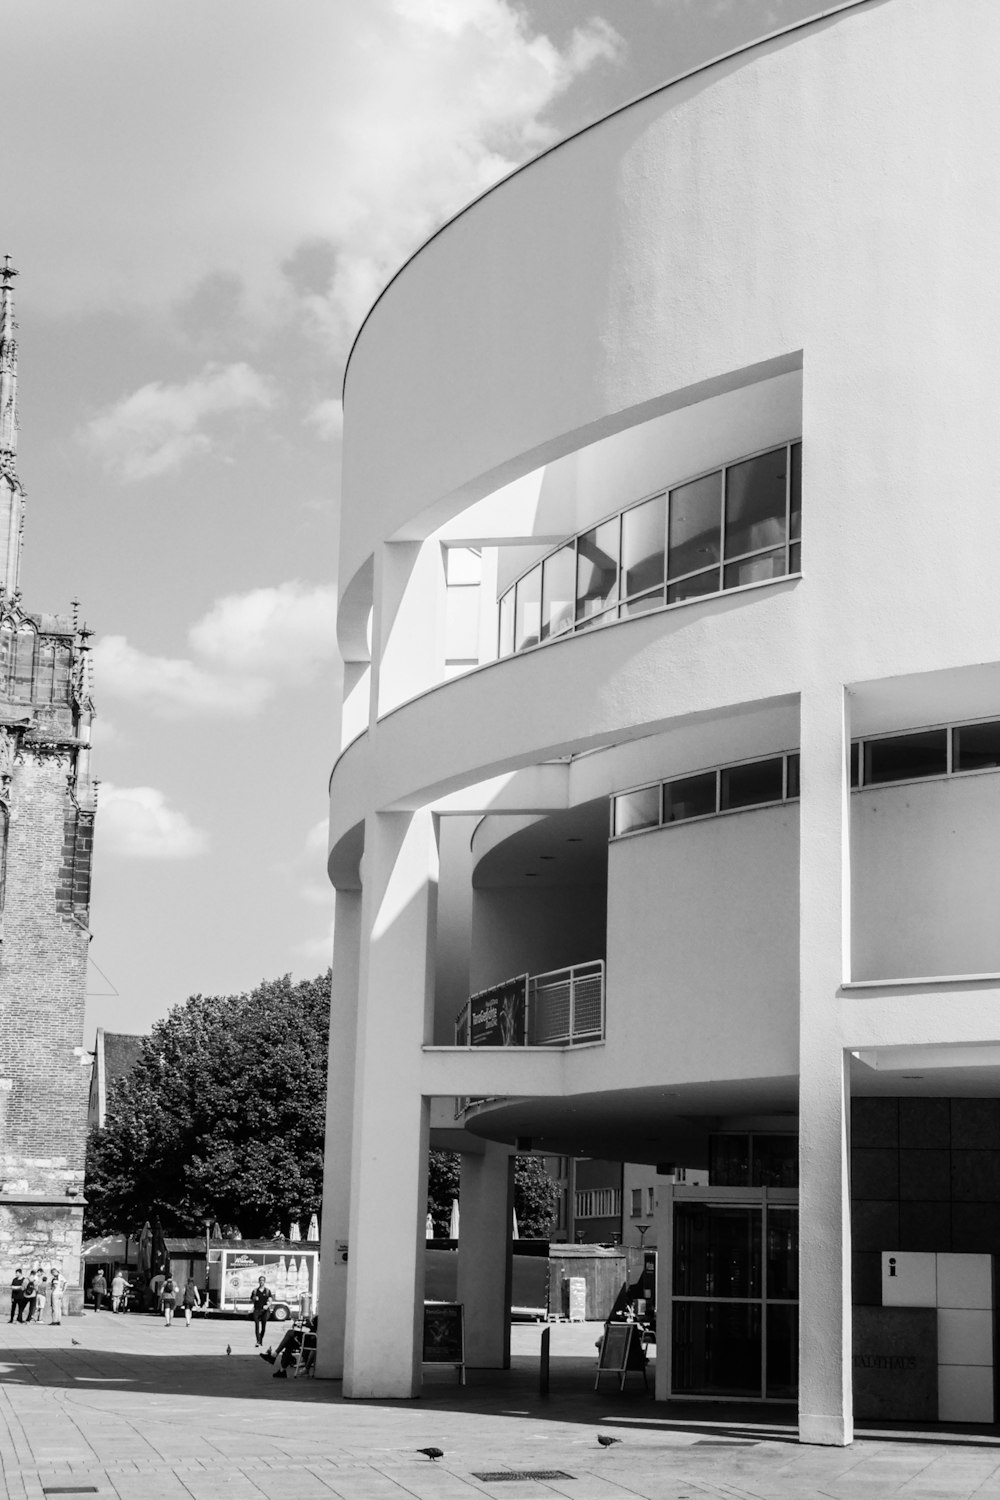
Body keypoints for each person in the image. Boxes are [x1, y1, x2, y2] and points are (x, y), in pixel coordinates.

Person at [249, 1275, 273, 1348]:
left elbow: (270, 1301)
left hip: (264, 1311)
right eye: (260, 1280)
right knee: (257, 1326)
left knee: (263, 1328)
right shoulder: (255, 1291)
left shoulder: (267, 1291)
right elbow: (251, 1300)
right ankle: (258, 1341)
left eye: (263, 1280)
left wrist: (267, 1306)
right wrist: (254, 1298)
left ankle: (260, 1340)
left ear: (264, 1282)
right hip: (256, 1310)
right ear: (258, 1281)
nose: (261, 1281)